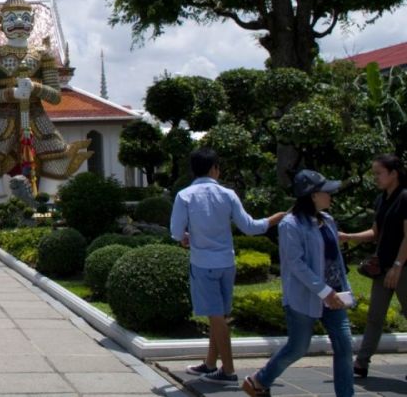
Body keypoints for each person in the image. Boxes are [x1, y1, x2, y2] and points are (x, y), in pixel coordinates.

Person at [170, 148, 286, 385]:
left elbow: (175, 231)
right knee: (219, 315)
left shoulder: (185, 195)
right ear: (214, 168)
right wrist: (275, 218)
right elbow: (250, 226)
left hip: (203, 263)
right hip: (226, 262)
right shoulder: (228, 194)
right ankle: (210, 363)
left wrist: (185, 236)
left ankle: (229, 370)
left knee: (216, 317)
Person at [243, 170, 353, 397]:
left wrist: (343, 288)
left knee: (344, 344)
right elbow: (296, 263)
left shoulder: (328, 221)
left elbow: (336, 260)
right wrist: (323, 290)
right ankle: (260, 380)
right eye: (326, 192)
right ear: (312, 195)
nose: (331, 196)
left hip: (333, 296)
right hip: (305, 297)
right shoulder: (290, 225)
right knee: (298, 348)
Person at [339, 153, 407, 379]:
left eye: (379, 173)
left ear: (393, 174)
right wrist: (349, 236)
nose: (375, 178)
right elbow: (376, 233)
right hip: (383, 268)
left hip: (402, 267)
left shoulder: (405, 197)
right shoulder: (382, 200)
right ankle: (361, 362)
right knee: (375, 316)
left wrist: (398, 266)